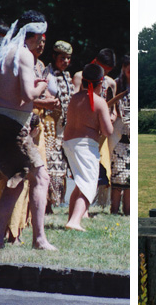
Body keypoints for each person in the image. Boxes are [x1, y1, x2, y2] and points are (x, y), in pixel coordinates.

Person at [0, 9, 55, 250]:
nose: (43, 41)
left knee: (16, 181)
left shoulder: (3, 52)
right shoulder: (24, 54)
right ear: (36, 35)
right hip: (11, 124)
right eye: (42, 37)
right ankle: (39, 239)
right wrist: (41, 85)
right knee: (41, 177)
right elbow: (27, 94)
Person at [63, 64, 113, 231]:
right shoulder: (99, 102)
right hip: (85, 145)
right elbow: (107, 131)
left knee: (80, 183)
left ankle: (72, 218)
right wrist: (110, 118)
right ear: (100, 84)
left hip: (69, 143)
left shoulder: (74, 99)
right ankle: (75, 220)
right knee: (88, 184)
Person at [41, 40, 74, 208]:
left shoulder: (67, 76)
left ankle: (54, 201)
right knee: (49, 163)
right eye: (63, 58)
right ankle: (45, 203)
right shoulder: (46, 73)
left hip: (63, 127)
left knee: (60, 165)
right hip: (49, 125)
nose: (66, 61)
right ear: (54, 56)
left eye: (68, 58)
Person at [110, 55, 130, 215]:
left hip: (131, 138)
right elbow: (109, 106)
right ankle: (114, 209)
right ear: (123, 67)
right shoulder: (117, 84)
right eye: (127, 66)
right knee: (117, 176)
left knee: (129, 179)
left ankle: (128, 211)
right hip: (118, 137)